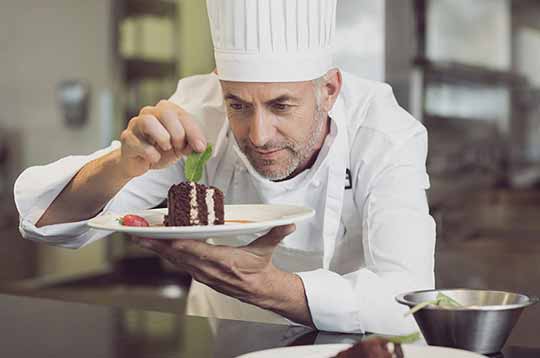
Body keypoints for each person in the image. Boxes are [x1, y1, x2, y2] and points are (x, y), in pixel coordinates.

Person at [14, 0, 435, 334]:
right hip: (220, 340)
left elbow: (409, 299)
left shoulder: (383, 134)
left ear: (328, 90)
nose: (259, 134)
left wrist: (269, 288)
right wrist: (122, 164)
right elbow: (47, 220)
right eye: (238, 104)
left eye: (281, 106)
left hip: (350, 348)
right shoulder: (199, 113)